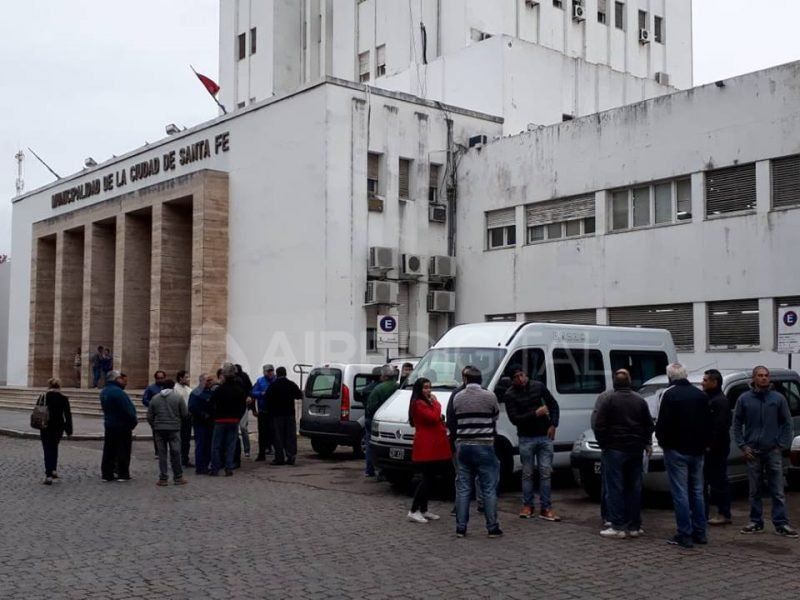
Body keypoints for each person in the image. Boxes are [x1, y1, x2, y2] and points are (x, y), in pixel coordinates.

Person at [734, 366, 797, 537]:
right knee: (754, 490)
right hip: (752, 451)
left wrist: (781, 444)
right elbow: (737, 424)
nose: (764, 378)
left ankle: (781, 523)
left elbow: (787, 423)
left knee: (777, 490)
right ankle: (756, 521)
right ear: (754, 378)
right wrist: (742, 445)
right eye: (760, 376)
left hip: (772, 450)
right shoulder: (744, 399)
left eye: (766, 376)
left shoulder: (778, 399)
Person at [592, 369, 654, 539]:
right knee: (634, 488)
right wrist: (645, 442)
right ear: (630, 381)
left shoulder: (608, 399)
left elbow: (599, 424)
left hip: (614, 449)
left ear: (614, 382)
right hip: (635, 449)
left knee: (615, 488)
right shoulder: (639, 400)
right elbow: (648, 424)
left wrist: (604, 443)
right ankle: (634, 526)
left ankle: (617, 525)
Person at [656, 363, 711, 548]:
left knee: (680, 493)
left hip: (676, 450)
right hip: (697, 450)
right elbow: (706, 423)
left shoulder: (669, 395)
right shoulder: (700, 395)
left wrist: (664, 443)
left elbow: (662, 424)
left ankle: (684, 534)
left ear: (670, 377)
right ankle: (700, 532)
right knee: (697, 491)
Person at [450, 366, 502, 538]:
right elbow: (495, 416)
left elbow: (455, 417)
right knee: (488, 488)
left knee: (463, 488)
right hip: (485, 445)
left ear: (466, 380)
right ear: (481, 380)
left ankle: (461, 528)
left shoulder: (458, 397)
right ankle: (492, 527)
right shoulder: (489, 396)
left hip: (464, 446)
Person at [504, 367, 561, 521]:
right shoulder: (510, 394)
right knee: (527, 473)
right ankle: (528, 505)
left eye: (522, 375)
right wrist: (535, 414)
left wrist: (553, 424)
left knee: (545, 472)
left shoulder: (538, 386)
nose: (521, 379)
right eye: (516, 376)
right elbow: (515, 419)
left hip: (544, 435)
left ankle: (546, 507)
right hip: (526, 437)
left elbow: (554, 405)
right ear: (512, 379)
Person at [407, 377, 452, 523]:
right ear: (419, 389)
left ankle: (423, 509)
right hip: (427, 445)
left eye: (429, 387)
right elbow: (433, 417)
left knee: (431, 477)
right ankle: (414, 510)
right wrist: (436, 402)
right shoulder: (418, 403)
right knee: (426, 478)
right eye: (425, 387)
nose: (428, 390)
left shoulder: (425, 402)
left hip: (433, 444)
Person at [703, 368, 732, 526]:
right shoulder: (709, 398)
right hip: (712, 447)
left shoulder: (720, 401)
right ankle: (708, 512)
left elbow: (720, 427)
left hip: (717, 449)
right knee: (710, 480)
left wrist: (710, 445)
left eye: (706, 380)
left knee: (719, 481)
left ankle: (723, 513)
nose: (703, 382)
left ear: (714, 382)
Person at [147, 379, 189, 486]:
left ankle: (163, 478)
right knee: (176, 453)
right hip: (174, 428)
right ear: (173, 386)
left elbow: (150, 416)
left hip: (159, 429)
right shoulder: (178, 397)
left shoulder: (155, 398)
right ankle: (178, 477)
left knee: (162, 454)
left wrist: (154, 425)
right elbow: (184, 414)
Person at [99, 370, 138, 482]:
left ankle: (107, 473)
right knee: (123, 450)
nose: (124, 381)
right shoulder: (118, 393)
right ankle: (122, 473)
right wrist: (133, 421)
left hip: (109, 424)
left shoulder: (104, 391)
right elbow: (129, 410)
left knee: (109, 450)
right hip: (122, 425)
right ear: (117, 379)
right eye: (122, 379)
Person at [209, 364, 248, 476]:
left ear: (224, 376)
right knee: (231, 445)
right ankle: (228, 467)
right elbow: (242, 406)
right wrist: (238, 417)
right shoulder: (239, 390)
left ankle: (215, 468)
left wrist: (214, 416)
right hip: (233, 420)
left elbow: (211, 404)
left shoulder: (219, 389)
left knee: (216, 445)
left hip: (220, 420)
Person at [264, 366, 303, 465]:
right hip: (289, 414)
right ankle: (291, 456)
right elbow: (299, 395)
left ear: (277, 374)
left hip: (277, 415)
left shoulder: (273, 385)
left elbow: (267, 399)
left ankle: (279, 458)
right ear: (285, 373)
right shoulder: (291, 384)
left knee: (278, 437)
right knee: (290, 436)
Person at [39, 378, 73, 484]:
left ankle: (48, 474)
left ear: (49, 386)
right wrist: (69, 430)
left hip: (45, 425)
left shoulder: (43, 397)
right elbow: (68, 415)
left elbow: (37, 410)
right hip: (58, 426)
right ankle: (53, 469)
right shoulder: (63, 398)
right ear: (59, 386)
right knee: (54, 447)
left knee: (47, 449)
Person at [189, 373, 215, 474]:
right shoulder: (196, 393)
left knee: (208, 444)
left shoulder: (210, 392)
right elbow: (192, 407)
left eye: (211, 380)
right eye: (208, 380)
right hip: (200, 423)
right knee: (201, 444)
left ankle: (205, 465)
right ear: (202, 381)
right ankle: (200, 466)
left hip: (210, 422)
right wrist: (203, 415)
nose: (210, 382)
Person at [361, 366, 383, 477]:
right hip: (377, 419)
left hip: (367, 417)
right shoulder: (381, 388)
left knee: (369, 444)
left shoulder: (366, 389)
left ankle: (369, 470)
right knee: (380, 444)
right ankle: (380, 470)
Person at [251, 364, 277, 461]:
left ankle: (278, 454)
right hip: (263, 411)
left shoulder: (276, 380)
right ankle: (261, 454)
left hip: (274, 412)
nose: (270, 373)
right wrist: (261, 394)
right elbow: (253, 393)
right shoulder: (260, 381)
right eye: (268, 371)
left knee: (274, 433)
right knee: (262, 434)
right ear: (264, 372)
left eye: (271, 371)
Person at [142, 370, 167, 458]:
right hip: (155, 414)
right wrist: (153, 404)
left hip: (166, 414)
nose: (160, 380)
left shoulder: (167, 388)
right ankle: (158, 451)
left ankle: (165, 450)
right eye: (158, 378)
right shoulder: (150, 388)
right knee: (156, 434)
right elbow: (145, 400)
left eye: (162, 378)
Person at [174, 370, 194, 468]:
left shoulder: (188, 389)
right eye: (186, 377)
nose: (188, 379)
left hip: (187, 417)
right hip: (179, 417)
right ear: (180, 378)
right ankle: (178, 459)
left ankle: (185, 459)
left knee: (186, 440)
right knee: (178, 439)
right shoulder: (175, 389)